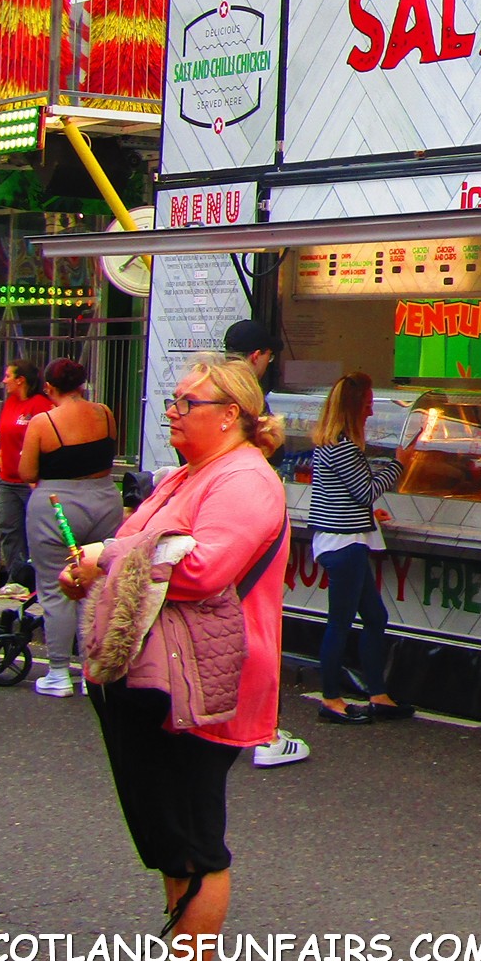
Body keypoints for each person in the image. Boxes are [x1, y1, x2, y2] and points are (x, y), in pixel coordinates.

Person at [60, 356, 287, 961]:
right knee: (171, 842)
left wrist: (109, 557)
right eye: (173, 401)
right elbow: (138, 550)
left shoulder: (244, 479)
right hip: (161, 674)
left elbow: (203, 569)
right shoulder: (191, 474)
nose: (173, 412)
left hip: (203, 679)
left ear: (231, 414)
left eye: (188, 403)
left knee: (192, 842)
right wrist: (94, 569)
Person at [219, 318, 307, 769]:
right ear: (257, 356)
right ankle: (264, 733)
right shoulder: (249, 400)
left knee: (222, 622)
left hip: (215, 519)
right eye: (268, 357)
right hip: (248, 521)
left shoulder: (207, 390)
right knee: (257, 624)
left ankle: (220, 717)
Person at [18, 357, 128, 697]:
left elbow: (27, 473)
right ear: (82, 384)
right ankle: (92, 670)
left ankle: (58, 673)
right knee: (97, 585)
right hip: (105, 499)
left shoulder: (43, 422)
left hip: (57, 505)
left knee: (57, 589)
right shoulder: (104, 414)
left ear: (49, 387)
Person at [308, 372, 412, 724]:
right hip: (345, 544)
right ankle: (331, 698)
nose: (371, 411)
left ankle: (377, 694)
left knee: (374, 617)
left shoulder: (330, 444)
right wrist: (399, 463)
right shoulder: (344, 447)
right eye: (367, 404)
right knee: (340, 622)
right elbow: (365, 491)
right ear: (354, 408)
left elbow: (342, 496)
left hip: (340, 540)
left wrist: (368, 514)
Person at [0, 358, 51, 599]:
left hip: (31, 481)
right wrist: (1, 454)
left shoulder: (40, 405)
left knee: (36, 531)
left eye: (8, 376)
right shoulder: (10, 403)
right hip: (8, 478)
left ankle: (38, 582)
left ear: (20, 380)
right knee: (7, 527)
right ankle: (16, 580)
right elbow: (5, 433)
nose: (4, 381)